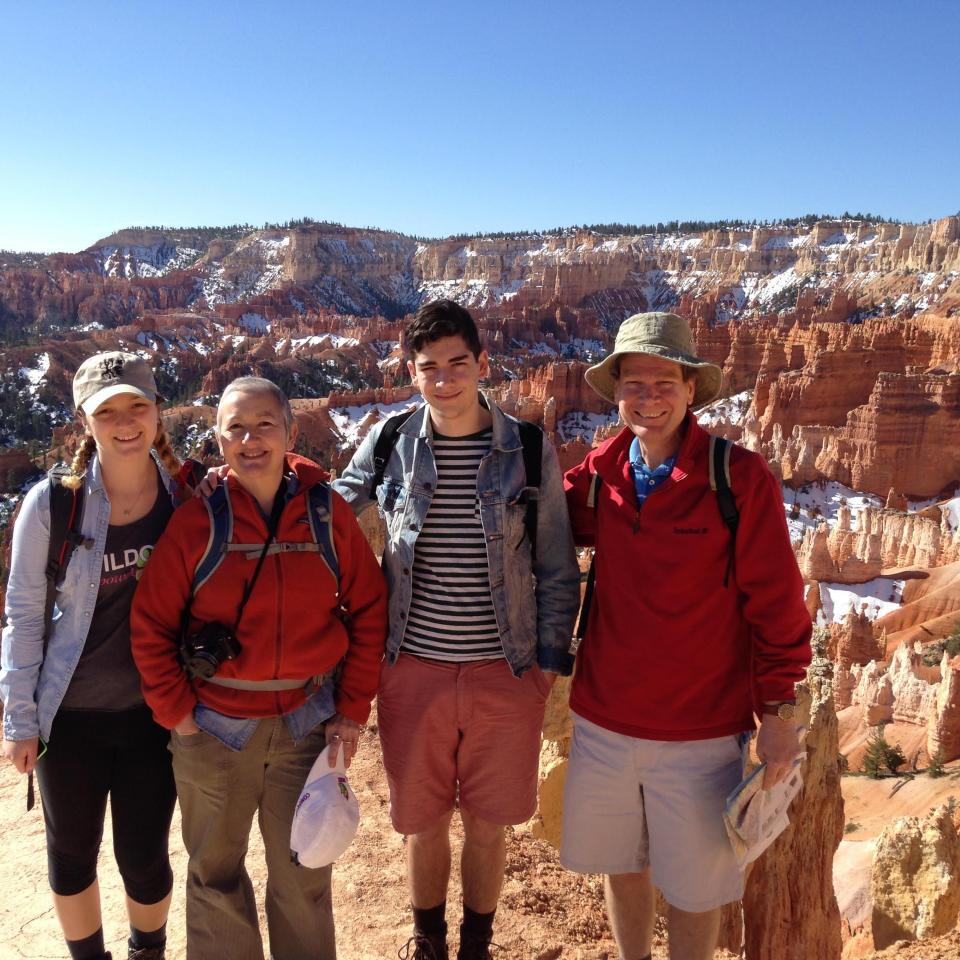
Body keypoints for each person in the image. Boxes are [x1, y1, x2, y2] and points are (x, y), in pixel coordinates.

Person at [333, 299, 580, 960]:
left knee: (490, 825)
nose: (444, 379)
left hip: (507, 671)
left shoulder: (527, 448)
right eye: (429, 367)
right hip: (412, 668)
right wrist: (251, 484)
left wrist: (547, 664)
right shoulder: (388, 441)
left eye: (457, 364)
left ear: (482, 365)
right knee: (424, 823)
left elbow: (557, 564)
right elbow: (326, 505)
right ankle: (428, 938)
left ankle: (477, 942)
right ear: (411, 373)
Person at [560, 312, 812, 960]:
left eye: (664, 380)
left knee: (697, 890)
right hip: (604, 721)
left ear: (692, 389)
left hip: (701, 732)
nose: (649, 397)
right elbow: (535, 526)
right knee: (623, 864)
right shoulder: (599, 476)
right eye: (633, 383)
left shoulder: (739, 480)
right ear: (615, 393)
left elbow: (778, 608)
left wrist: (779, 711)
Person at [130, 376, 387, 960]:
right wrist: (179, 716)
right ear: (219, 440)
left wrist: (351, 710)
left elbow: (369, 607)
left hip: (306, 725)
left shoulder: (324, 513)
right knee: (215, 878)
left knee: (304, 874)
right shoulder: (198, 523)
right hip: (214, 728)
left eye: (265, 425)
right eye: (236, 428)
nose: (251, 439)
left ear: (291, 432)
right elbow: (151, 624)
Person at [1, 352, 184, 960]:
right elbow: (25, 616)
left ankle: (147, 952)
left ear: (158, 414)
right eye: (108, 410)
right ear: (84, 421)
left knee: (146, 855)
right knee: (72, 852)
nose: (125, 421)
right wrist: (19, 719)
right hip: (70, 716)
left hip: (152, 715)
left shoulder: (185, 500)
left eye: (139, 405)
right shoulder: (53, 505)